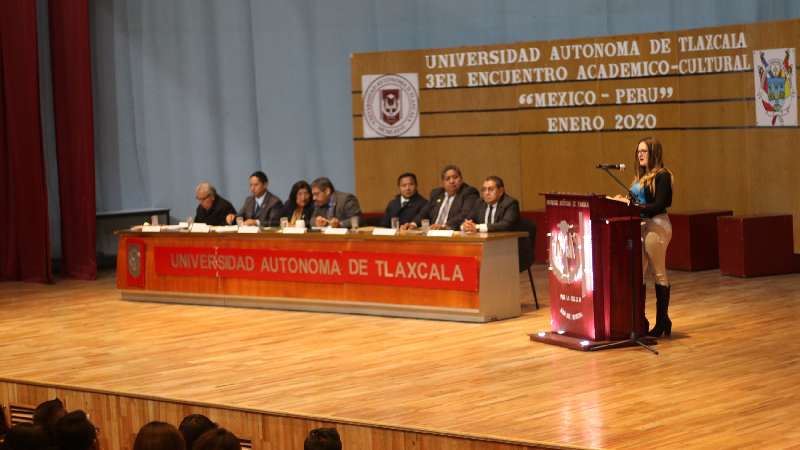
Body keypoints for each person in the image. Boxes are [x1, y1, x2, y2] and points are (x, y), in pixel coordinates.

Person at [630, 137, 674, 338]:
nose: (640, 154)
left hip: (657, 225)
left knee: (658, 272)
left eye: (644, 151)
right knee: (638, 273)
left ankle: (662, 322)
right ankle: (641, 320)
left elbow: (661, 203)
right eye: (638, 151)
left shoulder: (663, 176)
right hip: (641, 227)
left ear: (654, 153)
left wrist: (637, 209)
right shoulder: (639, 177)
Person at [405, 165, 479, 230]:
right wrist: (413, 224)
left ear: (461, 179)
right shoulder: (436, 193)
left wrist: (444, 226)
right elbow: (424, 212)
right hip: (433, 233)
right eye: (448, 179)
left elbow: (465, 214)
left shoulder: (469, 192)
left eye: (455, 177)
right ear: (443, 183)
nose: (452, 181)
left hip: (453, 234)